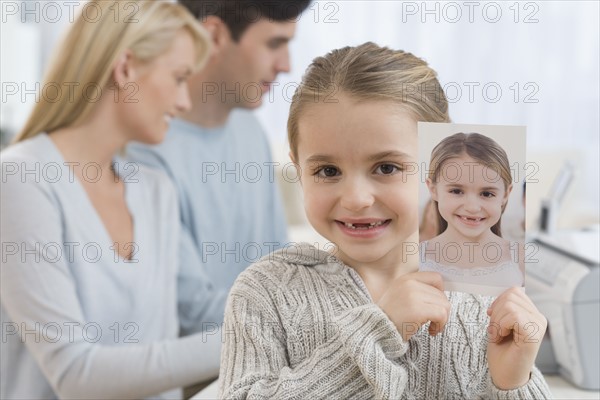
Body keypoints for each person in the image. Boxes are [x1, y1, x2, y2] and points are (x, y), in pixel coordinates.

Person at [217, 43, 551, 398]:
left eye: (387, 167)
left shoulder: (487, 296)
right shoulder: (266, 291)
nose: (356, 199)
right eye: (327, 170)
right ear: (298, 170)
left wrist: (513, 382)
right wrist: (378, 333)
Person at [1, 1, 221, 398]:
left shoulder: (156, 192)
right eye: (179, 77)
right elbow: (75, 375)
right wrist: (249, 339)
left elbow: (190, 320)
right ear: (125, 69)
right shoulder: (22, 178)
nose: (185, 101)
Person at [126, 0, 311, 333]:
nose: (286, 65)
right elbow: (192, 310)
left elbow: (279, 263)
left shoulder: (250, 130)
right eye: (274, 44)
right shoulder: (143, 153)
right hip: (204, 373)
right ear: (214, 36)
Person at [420, 133, 525, 296]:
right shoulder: (416, 258)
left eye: (487, 194)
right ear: (433, 189)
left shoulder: (521, 257)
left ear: (505, 194)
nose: (472, 207)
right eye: (456, 191)